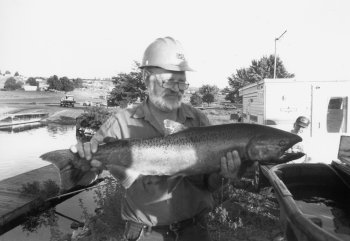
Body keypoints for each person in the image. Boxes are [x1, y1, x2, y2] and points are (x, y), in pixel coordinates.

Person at [71, 36, 244, 241]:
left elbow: (210, 183)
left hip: (195, 231)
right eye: (169, 82)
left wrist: (226, 174)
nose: (176, 89)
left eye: (181, 83)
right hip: (145, 235)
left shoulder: (198, 119)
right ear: (146, 78)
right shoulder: (121, 122)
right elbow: (88, 176)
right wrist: (83, 159)